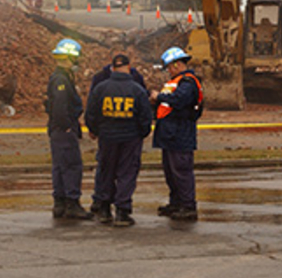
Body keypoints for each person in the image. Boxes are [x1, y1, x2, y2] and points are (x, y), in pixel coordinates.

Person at [85, 54, 152, 227]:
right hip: (130, 138)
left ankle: (105, 209)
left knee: (106, 171)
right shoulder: (137, 89)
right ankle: (122, 212)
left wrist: (96, 130)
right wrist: (141, 133)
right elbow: (146, 116)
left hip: (107, 137)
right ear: (129, 68)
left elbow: (91, 113)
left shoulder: (101, 88)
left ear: (112, 68)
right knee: (126, 173)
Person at [149, 46, 203, 221]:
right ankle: (176, 203)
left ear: (177, 64)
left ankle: (187, 206)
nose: (168, 72)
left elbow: (179, 101)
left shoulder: (188, 82)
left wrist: (159, 97)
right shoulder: (177, 81)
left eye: (170, 68)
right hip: (170, 134)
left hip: (180, 133)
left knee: (181, 171)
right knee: (171, 172)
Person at [45, 38, 92, 220]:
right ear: (70, 58)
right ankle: (72, 203)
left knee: (60, 166)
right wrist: (66, 127)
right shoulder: (61, 80)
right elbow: (60, 107)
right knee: (71, 166)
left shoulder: (60, 77)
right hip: (63, 130)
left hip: (58, 129)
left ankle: (60, 203)